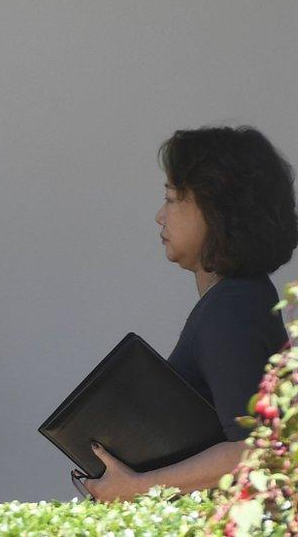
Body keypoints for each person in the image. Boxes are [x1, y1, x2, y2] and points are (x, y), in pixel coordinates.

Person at [84, 126, 298, 501]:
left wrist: (137, 488)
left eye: (171, 198)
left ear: (216, 210)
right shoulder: (237, 299)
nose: (159, 216)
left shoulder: (233, 308)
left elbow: (257, 451)